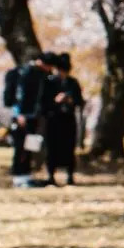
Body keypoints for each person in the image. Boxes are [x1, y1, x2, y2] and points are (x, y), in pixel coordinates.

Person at [3, 52, 55, 188]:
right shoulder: (26, 73)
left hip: (34, 117)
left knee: (30, 146)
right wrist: (19, 114)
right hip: (23, 117)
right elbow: (20, 95)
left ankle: (26, 174)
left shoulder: (40, 75)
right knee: (21, 148)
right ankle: (19, 177)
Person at [42, 53, 84, 186]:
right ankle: (51, 176)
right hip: (53, 119)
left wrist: (70, 100)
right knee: (51, 148)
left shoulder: (73, 82)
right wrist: (55, 101)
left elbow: (80, 101)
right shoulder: (49, 82)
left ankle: (70, 176)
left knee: (69, 148)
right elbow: (43, 102)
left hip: (68, 119)